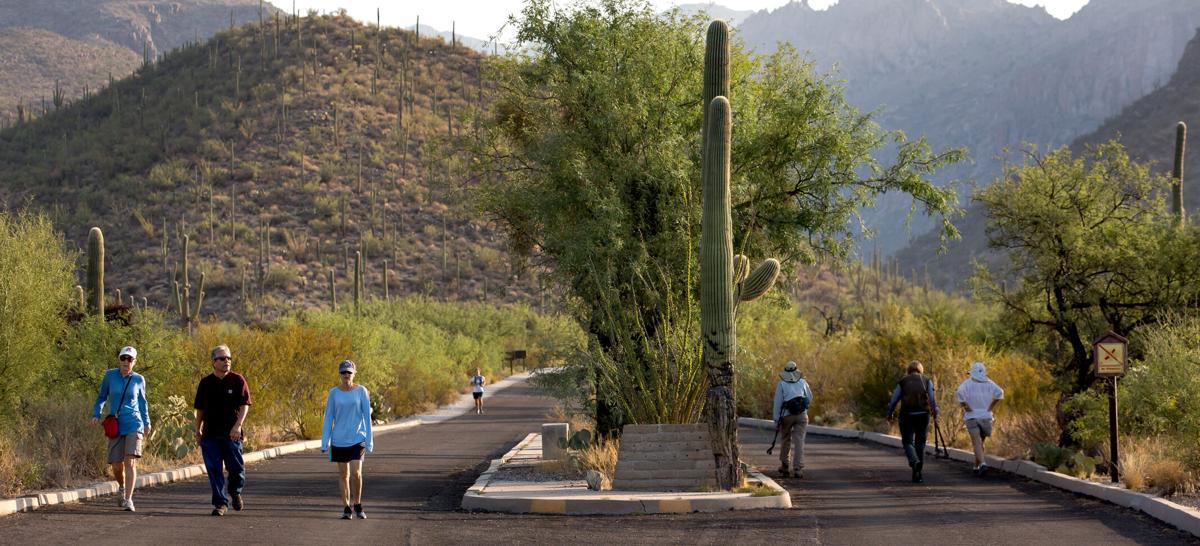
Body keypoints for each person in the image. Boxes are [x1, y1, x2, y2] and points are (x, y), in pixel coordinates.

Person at [194, 345, 252, 516]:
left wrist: (238, 426)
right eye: (222, 358)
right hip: (210, 434)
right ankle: (220, 503)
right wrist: (198, 430)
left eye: (229, 358)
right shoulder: (205, 383)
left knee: (236, 468)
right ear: (213, 362)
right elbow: (200, 410)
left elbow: (244, 405)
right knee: (214, 469)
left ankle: (235, 492)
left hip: (232, 434)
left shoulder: (238, 380)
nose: (226, 361)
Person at [91, 346, 150, 512]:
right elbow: (102, 397)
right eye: (123, 358)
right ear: (119, 360)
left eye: (129, 359)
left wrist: (146, 422)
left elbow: (143, 402)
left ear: (134, 361)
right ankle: (122, 486)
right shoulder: (110, 375)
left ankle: (128, 499)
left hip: (134, 423)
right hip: (115, 424)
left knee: (130, 461)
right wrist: (96, 413)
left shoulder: (139, 379)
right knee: (117, 466)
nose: (126, 361)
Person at [320, 360, 374, 520]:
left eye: (349, 372)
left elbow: (366, 416)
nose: (346, 375)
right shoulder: (334, 393)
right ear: (340, 374)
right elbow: (329, 417)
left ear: (354, 373)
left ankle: (358, 504)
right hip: (339, 440)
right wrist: (325, 441)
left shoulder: (361, 391)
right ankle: (346, 507)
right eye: (343, 372)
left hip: (358, 438)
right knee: (344, 474)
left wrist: (369, 440)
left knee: (357, 473)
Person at [886, 360, 939, 483]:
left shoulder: (903, 381)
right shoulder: (927, 380)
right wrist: (935, 412)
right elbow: (932, 398)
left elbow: (894, 399)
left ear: (909, 370)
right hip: (923, 415)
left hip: (907, 415)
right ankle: (918, 473)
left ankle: (914, 461)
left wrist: (890, 413)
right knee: (920, 443)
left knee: (908, 442)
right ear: (921, 369)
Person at [955, 361, 1004, 476]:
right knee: (980, 442)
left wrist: (965, 406)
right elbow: (1000, 393)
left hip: (972, 417)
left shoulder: (967, 383)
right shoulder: (990, 383)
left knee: (977, 442)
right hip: (986, 417)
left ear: (972, 373)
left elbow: (959, 393)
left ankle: (980, 465)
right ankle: (979, 465)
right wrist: (991, 407)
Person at [772, 361, 812, 479]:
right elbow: (809, 397)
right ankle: (798, 469)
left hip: (787, 415)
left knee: (785, 439)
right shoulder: (803, 382)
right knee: (799, 441)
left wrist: (776, 419)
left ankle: (785, 466)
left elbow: (778, 402)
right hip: (802, 415)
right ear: (796, 370)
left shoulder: (782, 384)